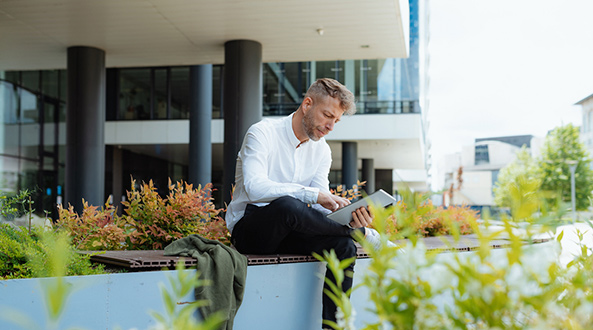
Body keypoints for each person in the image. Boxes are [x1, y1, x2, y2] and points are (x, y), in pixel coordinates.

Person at [225, 78, 385, 327]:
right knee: (288, 205)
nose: (331, 126)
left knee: (344, 247)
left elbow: (321, 204)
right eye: (327, 115)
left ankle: (333, 326)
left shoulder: (322, 151)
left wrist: (345, 212)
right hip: (251, 230)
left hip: (292, 229)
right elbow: (255, 188)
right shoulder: (262, 132)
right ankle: (363, 234)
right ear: (307, 104)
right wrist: (312, 195)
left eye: (337, 121)